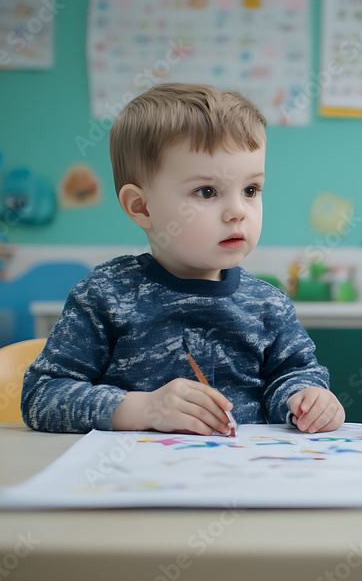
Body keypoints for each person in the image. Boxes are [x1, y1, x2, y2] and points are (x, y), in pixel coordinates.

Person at [22, 83, 345, 435]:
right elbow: (41, 397)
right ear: (141, 207)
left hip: (243, 479)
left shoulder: (268, 304)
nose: (238, 211)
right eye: (207, 192)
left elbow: (296, 375)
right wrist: (142, 409)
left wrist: (309, 399)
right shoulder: (105, 295)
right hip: (132, 480)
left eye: (250, 190)